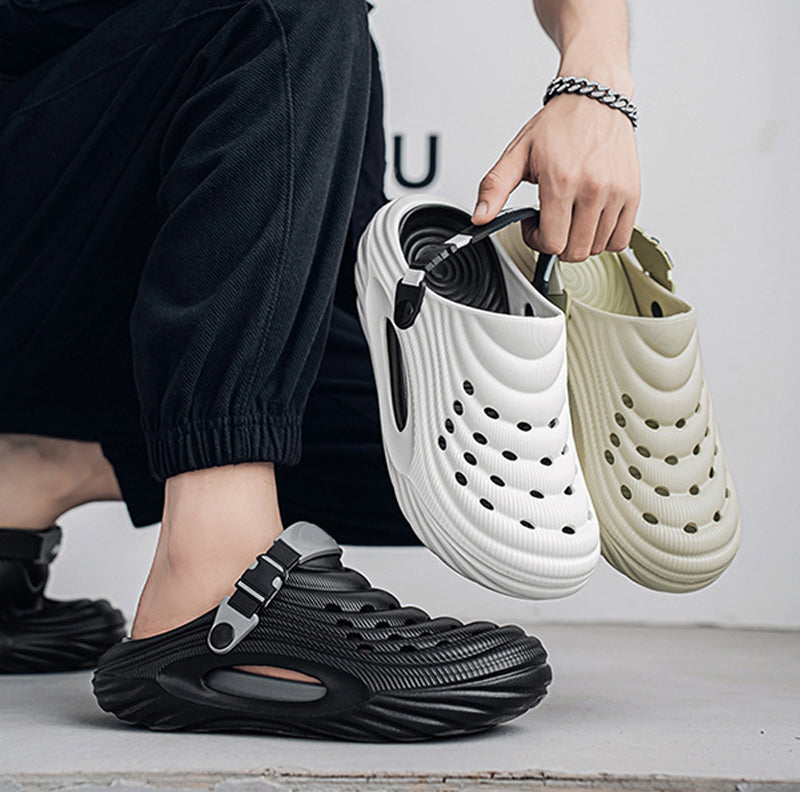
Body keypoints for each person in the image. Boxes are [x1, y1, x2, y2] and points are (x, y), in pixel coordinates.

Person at [0, 0, 639, 739]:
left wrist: (595, 84)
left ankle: (34, 473)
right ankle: (211, 585)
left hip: (105, 256)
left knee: (517, 453)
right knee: (286, 11)